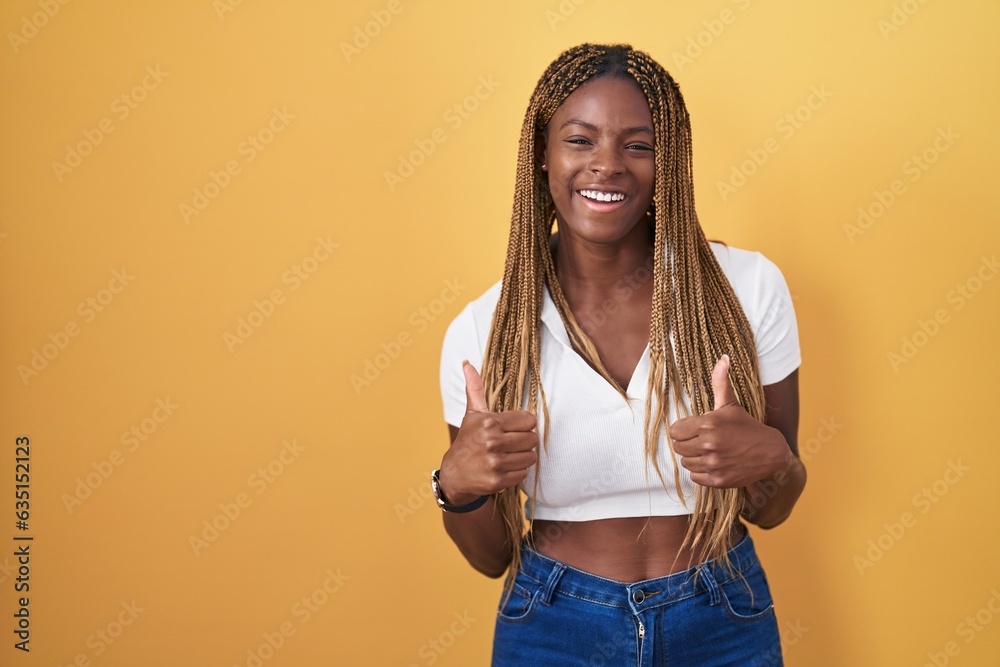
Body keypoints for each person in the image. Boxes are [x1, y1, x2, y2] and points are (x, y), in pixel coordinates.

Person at [433, 43, 805, 666]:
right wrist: (457, 484)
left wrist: (776, 461)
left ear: (671, 165)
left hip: (722, 616)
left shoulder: (747, 289)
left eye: (638, 145)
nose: (607, 165)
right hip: (553, 624)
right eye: (580, 140)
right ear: (542, 156)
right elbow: (490, 557)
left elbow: (774, 508)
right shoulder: (483, 331)